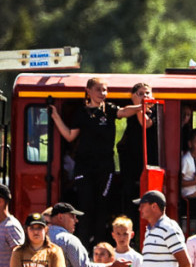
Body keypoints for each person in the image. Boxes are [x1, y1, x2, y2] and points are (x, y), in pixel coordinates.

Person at [49, 77, 142, 245]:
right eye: (98, 89)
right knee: (85, 208)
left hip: (105, 168)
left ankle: (100, 249)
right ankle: (83, 247)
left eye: (105, 90)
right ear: (89, 91)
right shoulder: (81, 113)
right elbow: (70, 136)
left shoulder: (110, 110)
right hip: (84, 168)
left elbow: (125, 111)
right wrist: (55, 116)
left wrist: (143, 105)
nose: (102, 93)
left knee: (102, 208)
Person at [116, 82, 159, 221]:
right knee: (129, 201)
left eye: (147, 93)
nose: (145, 96)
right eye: (141, 94)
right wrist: (138, 106)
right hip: (130, 166)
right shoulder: (130, 110)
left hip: (150, 164)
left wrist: (141, 106)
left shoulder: (156, 110)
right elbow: (122, 112)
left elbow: (145, 124)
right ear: (133, 97)